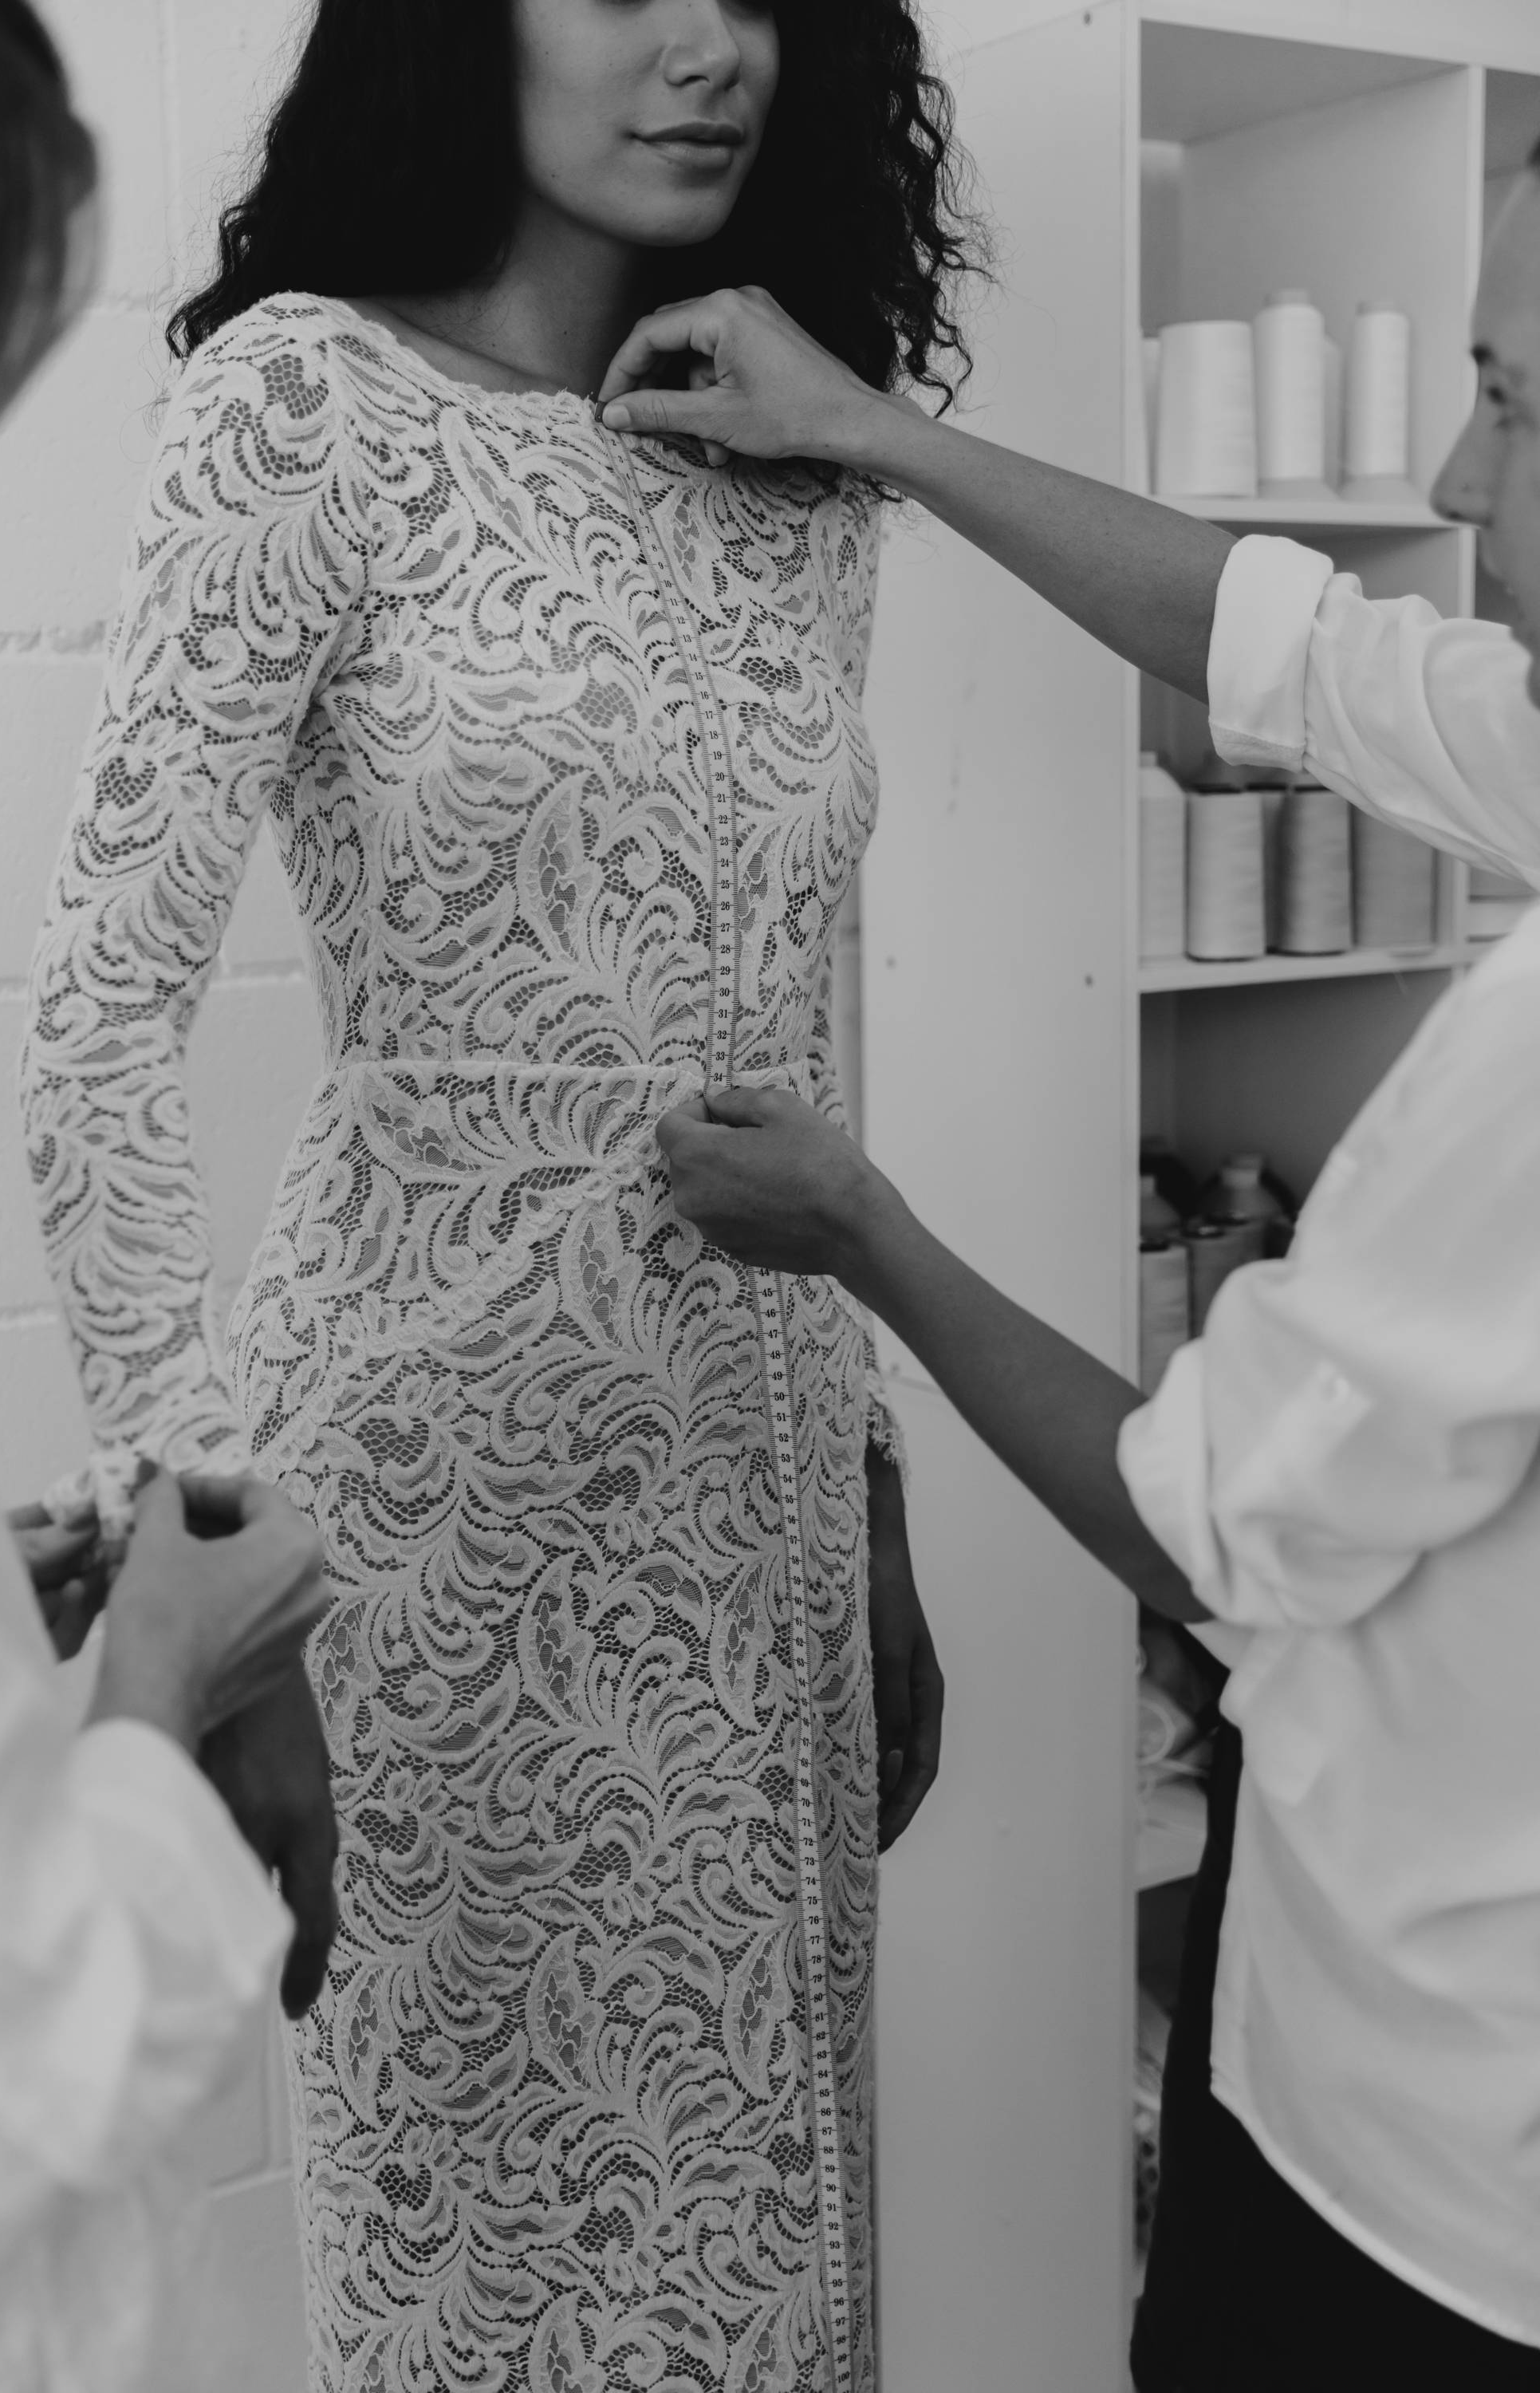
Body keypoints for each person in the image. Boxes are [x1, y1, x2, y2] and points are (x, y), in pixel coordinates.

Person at [18, 5, 974, 2385]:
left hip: (751, 1523)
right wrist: (202, 1586)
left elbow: (782, 1047)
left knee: (774, 2271)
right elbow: (97, 1025)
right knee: (503, 2306)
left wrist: (864, 1486)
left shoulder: (800, 474)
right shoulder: (305, 405)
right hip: (428, 1555)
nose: (701, 47)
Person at [599, 158, 1540, 2393]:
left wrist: (863, 1235)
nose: (1448, 469)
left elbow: (1203, 1528)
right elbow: (1311, 651)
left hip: (1427, 2182)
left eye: (1512, 396)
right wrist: (878, 432)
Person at [0, 15, 341, 2387]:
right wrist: (174, 1669)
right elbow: (6, 2073)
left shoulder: (777, 460)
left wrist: (18, 1658)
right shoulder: (299, 408)